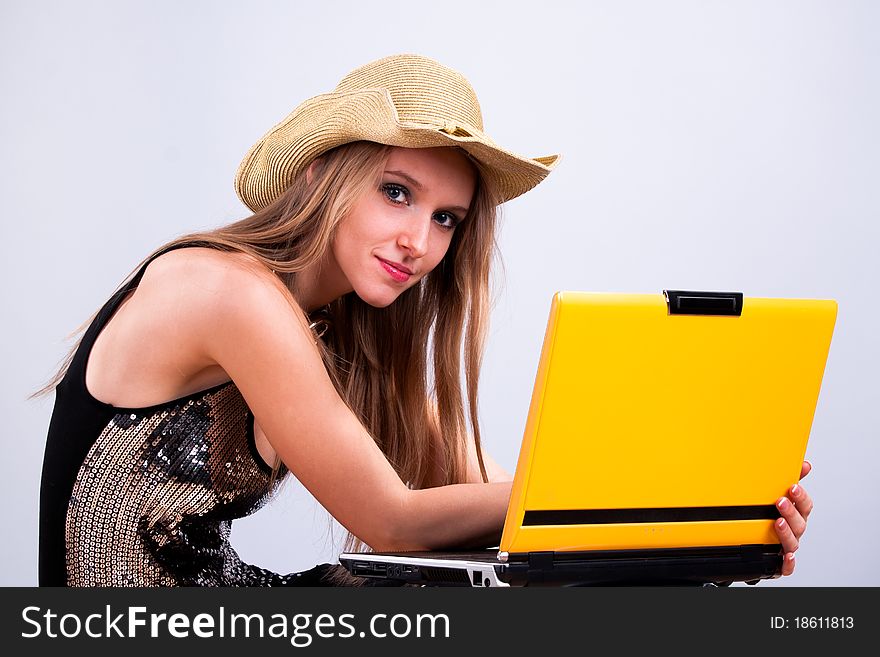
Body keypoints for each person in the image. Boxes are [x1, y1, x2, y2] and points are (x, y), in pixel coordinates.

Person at [35, 53, 813, 587]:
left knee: (534, 590)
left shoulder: (340, 333)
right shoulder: (227, 290)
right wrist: (612, 495)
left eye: (446, 218)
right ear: (319, 175)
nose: (421, 242)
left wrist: (702, 522)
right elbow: (394, 519)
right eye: (397, 192)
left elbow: (498, 492)